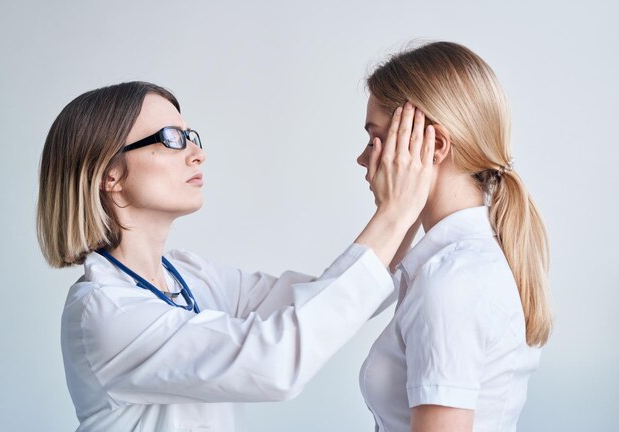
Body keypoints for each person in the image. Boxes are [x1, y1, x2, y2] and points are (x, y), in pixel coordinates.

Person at [36, 81, 435, 431]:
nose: (196, 154)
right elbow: (276, 361)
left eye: (192, 136)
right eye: (172, 138)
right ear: (110, 174)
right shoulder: (104, 312)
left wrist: (412, 198)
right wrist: (395, 209)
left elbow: (335, 300)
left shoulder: (192, 278)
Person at [356, 41, 553, 432]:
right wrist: (398, 216)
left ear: (435, 146)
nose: (363, 158)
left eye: (375, 137)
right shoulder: (457, 263)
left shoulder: (450, 281)